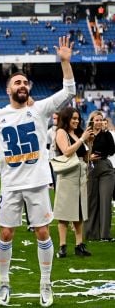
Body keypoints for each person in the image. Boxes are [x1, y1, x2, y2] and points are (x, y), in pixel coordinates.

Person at [0, 36, 76, 307]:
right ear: (8, 89)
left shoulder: (40, 110)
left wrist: (65, 62)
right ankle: (3, 282)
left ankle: (46, 283)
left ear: (29, 88)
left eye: (25, 82)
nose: (22, 85)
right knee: (6, 234)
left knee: (43, 233)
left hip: (36, 182)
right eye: (17, 82)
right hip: (11, 183)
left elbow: (68, 90)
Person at [53, 107, 92, 258]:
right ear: (66, 118)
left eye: (78, 119)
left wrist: (89, 142)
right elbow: (67, 151)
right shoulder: (61, 132)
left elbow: (86, 157)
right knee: (64, 213)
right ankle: (62, 246)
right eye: (73, 118)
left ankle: (79, 245)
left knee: (79, 212)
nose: (76, 121)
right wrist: (82, 139)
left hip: (80, 174)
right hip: (68, 175)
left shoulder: (77, 133)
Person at [84, 110, 115, 241]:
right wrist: (89, 156)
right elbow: (81, 152)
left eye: (101, 119)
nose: (99, 122)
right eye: (96, 120)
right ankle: (91, 233)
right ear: (92, 121)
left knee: (105, 201)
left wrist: (99, 154)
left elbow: (112, 151)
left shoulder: (107, 134)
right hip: (90, 169)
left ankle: (105, 235)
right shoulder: (86, 134)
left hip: (105, 168)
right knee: (91, 202)